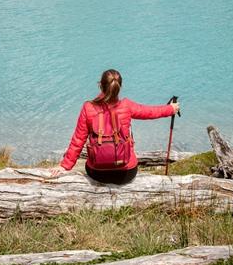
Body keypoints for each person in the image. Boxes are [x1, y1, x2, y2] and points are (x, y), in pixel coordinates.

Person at [50, 69, 180, 184]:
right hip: (126, 173)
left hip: (97, 173)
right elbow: (151, 112)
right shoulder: (127, 106)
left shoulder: (88, 108)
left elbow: (78, 140)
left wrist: (65, 166)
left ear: (100, 85)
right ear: (119, 87)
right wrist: (171, 109)